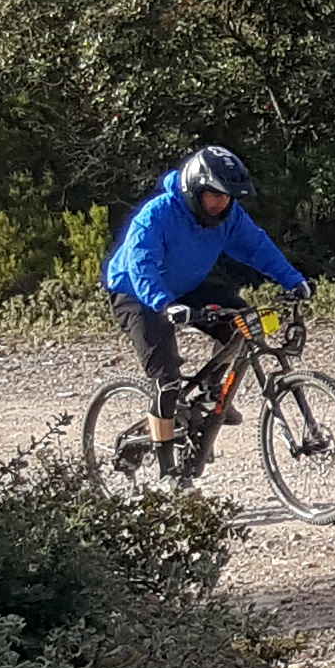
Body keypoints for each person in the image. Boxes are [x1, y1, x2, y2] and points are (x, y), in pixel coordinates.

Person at [103, 143, 312, 444]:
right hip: (136, 293)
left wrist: (293, 280)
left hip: (185, 288)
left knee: (242, 324)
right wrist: (164, 304)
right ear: (194, 190)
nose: (221, 204)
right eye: (215, 195)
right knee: (167, 381)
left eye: (227, 197)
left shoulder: (230, 216)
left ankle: (211, 392)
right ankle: (167, 469)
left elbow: (257, 247)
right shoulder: (157, 215)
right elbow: (142, 264)